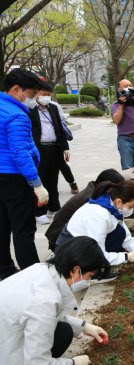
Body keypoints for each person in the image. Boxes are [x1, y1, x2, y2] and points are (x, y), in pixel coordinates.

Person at [0, 236, 109, 365]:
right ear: (76, 270)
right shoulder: (45, 301)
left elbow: (40, 315)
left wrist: (84, 326)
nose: (89, 280)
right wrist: (73, 364)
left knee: (64, 331)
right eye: (90, 275)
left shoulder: (40, 269)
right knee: (61, 336)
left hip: (7, 334)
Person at [55, 180, 134, 279]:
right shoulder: (100, 216)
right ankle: (91, 273)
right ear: (118, 202)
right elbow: (99, 254)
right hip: (69, 251)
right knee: (114, 239)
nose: (131, 210)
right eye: (130, 206)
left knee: (119, 233)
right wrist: (127, 257)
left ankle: (97, 268)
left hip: (81, 244)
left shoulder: (112, 208)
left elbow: (127, 239)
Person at [0, 68, 47, 280]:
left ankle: (5, 271)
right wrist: (36, 183)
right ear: (17, 89)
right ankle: (33, 277)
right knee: (23, 230)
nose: (34, 99)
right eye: (31, 94)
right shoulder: (16, 115)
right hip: (14, 178)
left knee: (2, 226)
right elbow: (20, 153)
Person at [46, 169, 124, 251]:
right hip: (60, 240)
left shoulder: (94, 192)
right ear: (109, 188)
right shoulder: (92, 200)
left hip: (61, 235)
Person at [30, 81, 70, 225]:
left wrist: (65, 147)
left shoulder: (53, 108)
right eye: (43, 94)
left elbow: (60, 128)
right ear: (36, 94)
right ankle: (40, 211)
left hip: (54, 147)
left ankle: (54, 207)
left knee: (53, 180)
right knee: (41, 180)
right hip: (39, 149)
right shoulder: (30, 109)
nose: (46, 97)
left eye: (48, 95)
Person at [51, 96, 79, 194]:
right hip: (40, 144)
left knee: (62, 164)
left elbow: (63, 122)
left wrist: (65, 147)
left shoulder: (54, 106)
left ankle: (72, 182)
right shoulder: (31, 106)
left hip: (57, 142)